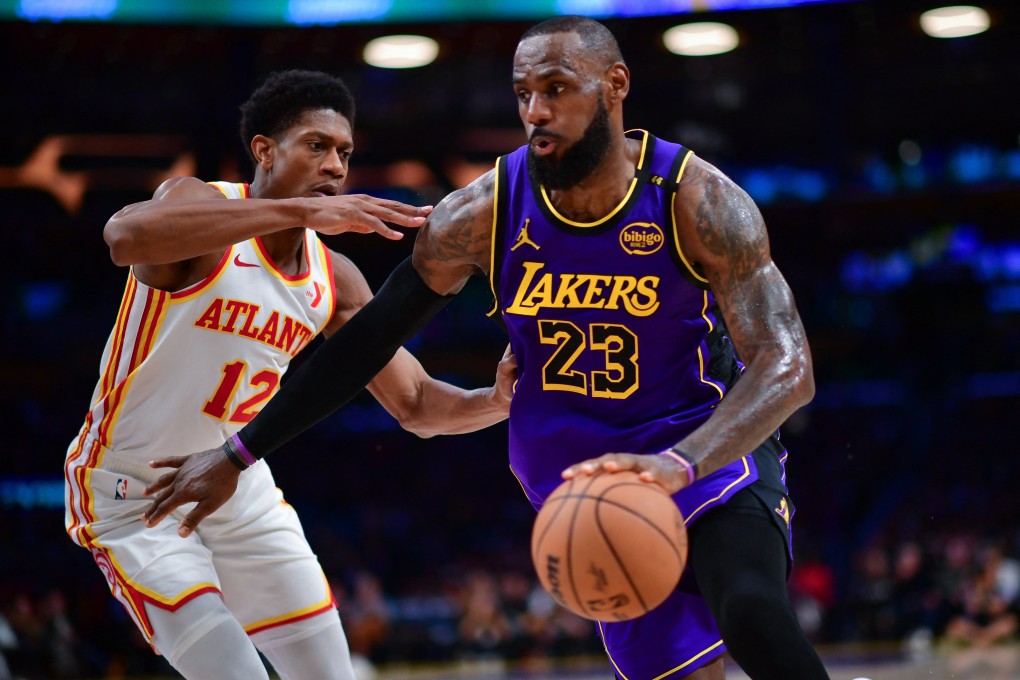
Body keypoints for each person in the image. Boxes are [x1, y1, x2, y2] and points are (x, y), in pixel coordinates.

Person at [141, 18, 829, 679]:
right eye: (524, 93)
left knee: (753, 611)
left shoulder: (694, 199)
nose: (536, 110)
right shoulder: (481, 213)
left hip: (700, 455)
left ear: (615, 85)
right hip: (582, 486)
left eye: (556, 88)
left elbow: (788, 366)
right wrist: (241, 451)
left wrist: (680, 466)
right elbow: (366, 344)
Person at [63, 69, 514, 680]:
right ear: (264, 151)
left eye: (345, 154)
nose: (335, 165)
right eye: (316, 146)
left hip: (238, 484)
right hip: (133, 493)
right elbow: (124, 237)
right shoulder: (197, 203)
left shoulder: (336, 279)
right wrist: (299, 210)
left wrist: (497, 398)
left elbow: (417, 405)